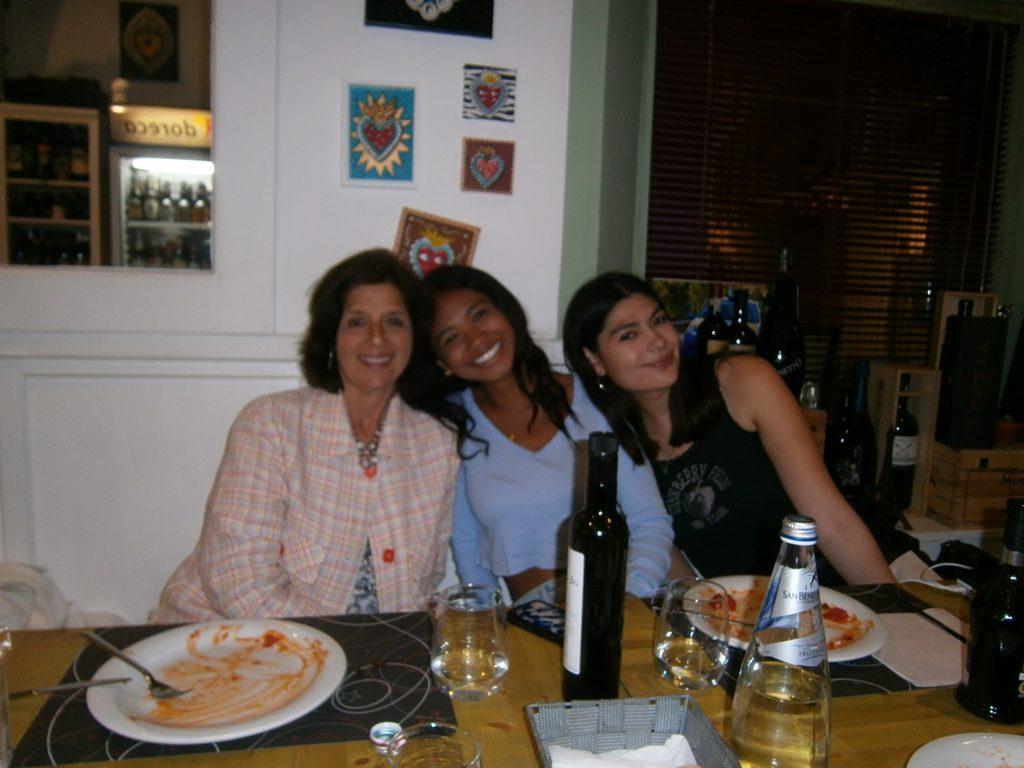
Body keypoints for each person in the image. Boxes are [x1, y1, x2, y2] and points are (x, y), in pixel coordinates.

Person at [152, 249, 460, 622]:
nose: (377, 338)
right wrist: (329, 651)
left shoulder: (438, 445)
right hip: (231, 634)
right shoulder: (270, 424)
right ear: (332, 337)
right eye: (357, 321)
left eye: (394, 321)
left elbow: (422, 585)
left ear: (415, 338)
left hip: (368, 653)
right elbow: (237, 579)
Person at [562, 272, 895, 585]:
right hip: (732, 618)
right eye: (629, 334)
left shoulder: (741, 381)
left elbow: (832, 524)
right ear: (595, 360)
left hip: (820, 593)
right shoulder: (615, 445)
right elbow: (667, 558)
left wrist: (898, 614)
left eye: (659, 321)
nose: (657, 341)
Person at [424, 265, 673, 604]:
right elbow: (469, 553)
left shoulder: (593, 400)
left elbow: (649, 521)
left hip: (623, 599)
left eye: (480, 315)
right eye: (451, 337)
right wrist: (485, 627)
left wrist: (626, 602)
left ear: (506, 312)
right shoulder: (453, 427)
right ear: (442, 362)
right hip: (533, 619)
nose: (475, 339)